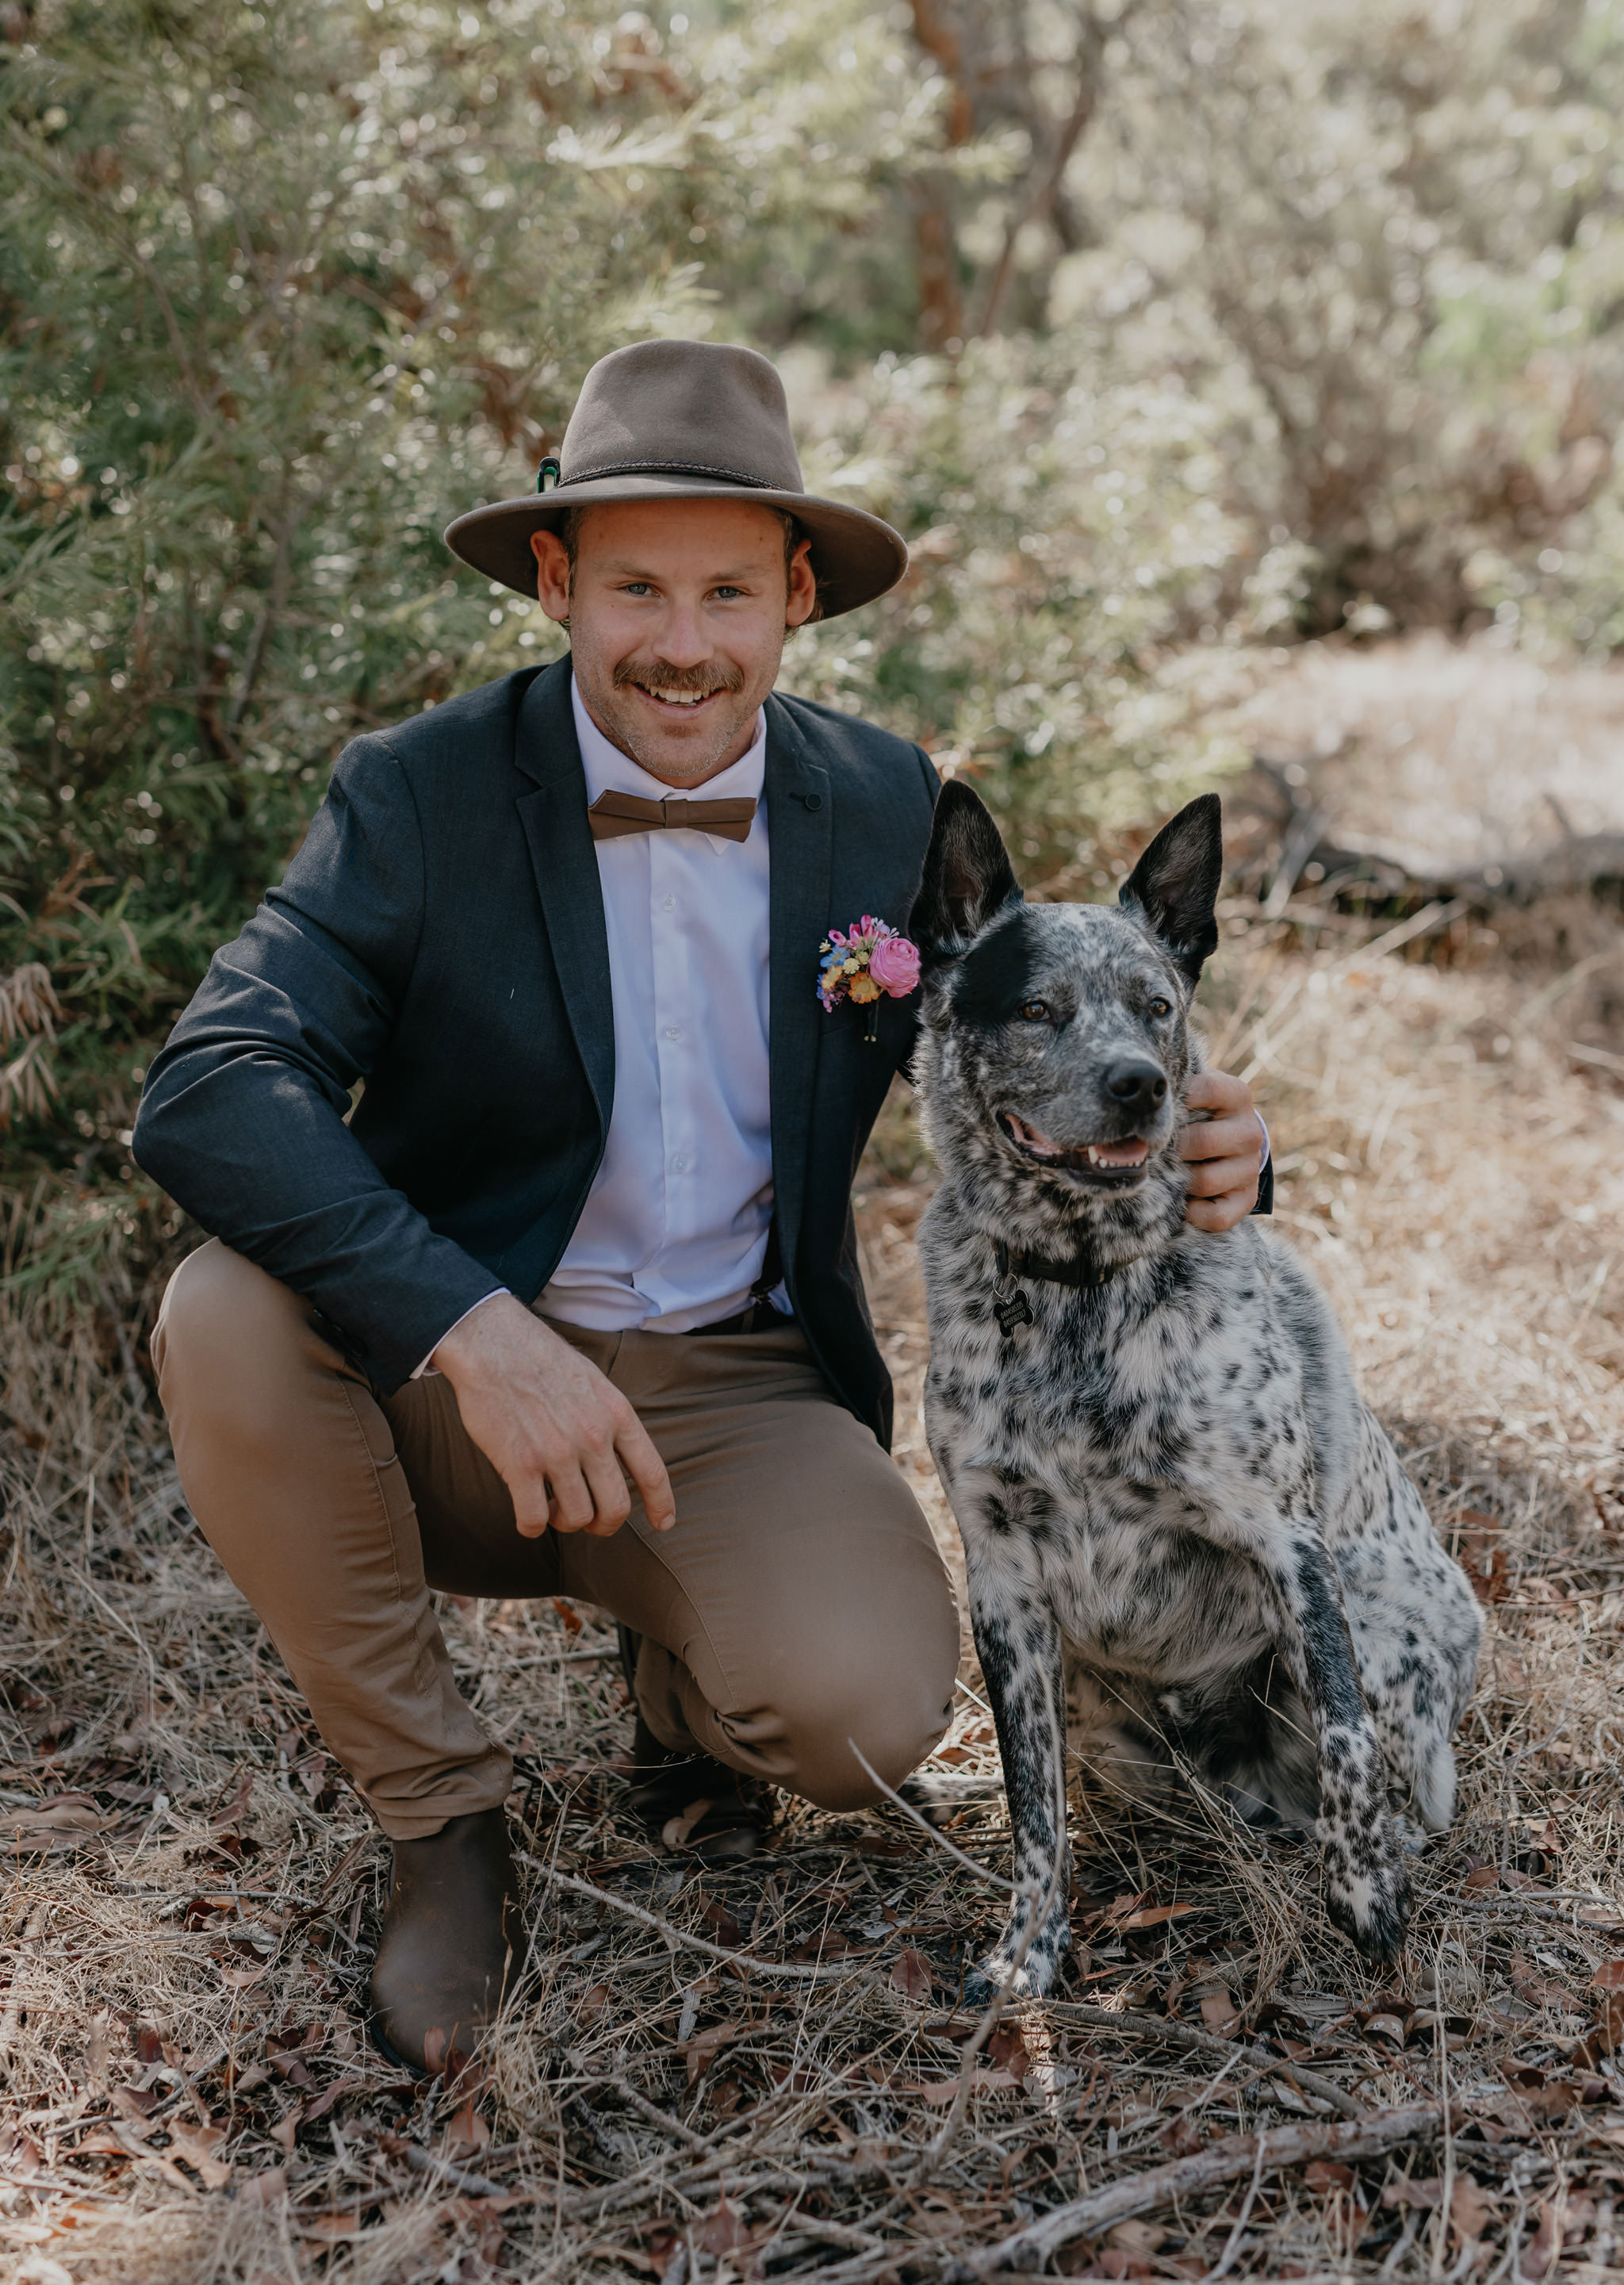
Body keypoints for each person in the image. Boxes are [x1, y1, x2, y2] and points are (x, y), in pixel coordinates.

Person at [132, 338, 1268, 2073]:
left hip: (735, 1381)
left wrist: (1200, 1138)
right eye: (636, 589)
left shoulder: (881, 805)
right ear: (554, 582)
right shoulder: (418, 794)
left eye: (728, 591)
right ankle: (442, 1824)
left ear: (797, 596)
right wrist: (468, 1324)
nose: (683, 643)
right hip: (444, 1380)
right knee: (220, 1310)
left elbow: (1021, 1038)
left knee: (866, 1719)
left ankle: (681, 1699)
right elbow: (213, 1081)